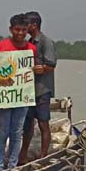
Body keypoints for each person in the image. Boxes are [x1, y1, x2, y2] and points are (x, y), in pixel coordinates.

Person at [0, 14, 37, 171]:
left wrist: (38, 69)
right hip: (2, 97)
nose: (20, 33)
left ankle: (12, 165)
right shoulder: (0, 46)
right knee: (2, 133)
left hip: (22, 97)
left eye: (24, 30)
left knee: (17, 132)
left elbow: (31, 73)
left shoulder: (32, 49)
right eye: (17, 29)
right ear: (11, 29)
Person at [20, 11, 57, 162]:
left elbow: (51, 65)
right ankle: (23, 155)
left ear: (33, 25)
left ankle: (43, 156)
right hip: (29, 90)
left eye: (26, 24)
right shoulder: (28, 43)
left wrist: (41, 68)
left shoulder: (46, 42)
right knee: (27, 125)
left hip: (42, 90)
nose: (24, 27)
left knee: (43, 123)